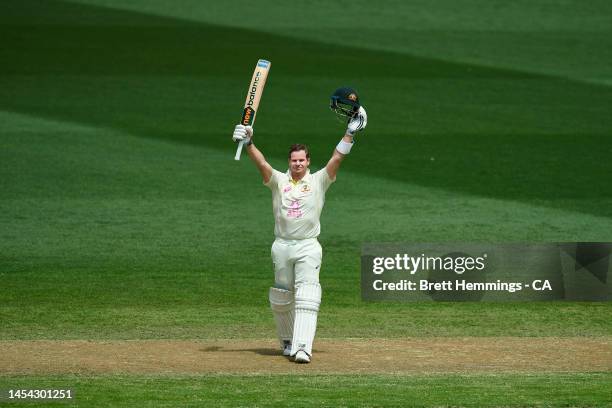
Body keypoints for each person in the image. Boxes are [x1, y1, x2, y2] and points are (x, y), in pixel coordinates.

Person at [232, 88, 367, 363]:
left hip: (307, 246)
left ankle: (303, 346)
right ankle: (287, 341)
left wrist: (350, 134)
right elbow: (261, 164)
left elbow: (337, 159)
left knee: (307, 294)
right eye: (294, 161)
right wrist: (249, 143)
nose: (297, 164)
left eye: (302, 161)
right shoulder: (278, 181)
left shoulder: (319, 180)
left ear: (308, 162)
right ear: (289, 162)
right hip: (281, 245)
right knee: (281, 296)